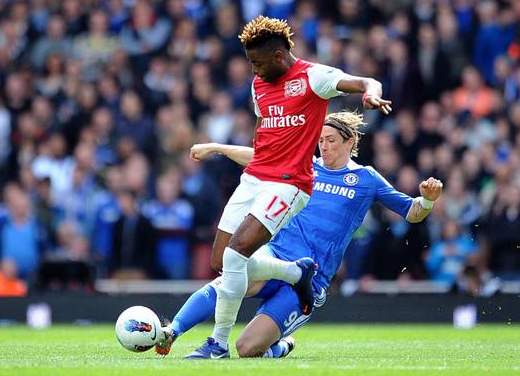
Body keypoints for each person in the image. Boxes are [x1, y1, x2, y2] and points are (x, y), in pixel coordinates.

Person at [175, 16, 392, 359]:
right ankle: (295, 272)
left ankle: (216, 345)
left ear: (278, 56)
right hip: (257, 177)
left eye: (258, 63)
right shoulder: (258, 85)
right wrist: (220, 148)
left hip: (291, 183)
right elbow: (264, 139)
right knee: (222, 261)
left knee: (237, 253)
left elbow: (367, 80)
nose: (254, 70)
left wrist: (371, 94)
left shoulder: (313, 77)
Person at [155, 111, 442, 359]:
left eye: (330, 141)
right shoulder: (305, 166)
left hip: (311, 280)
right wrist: (218, 148)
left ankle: (280, 347)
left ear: (350, 142)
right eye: (320, 141)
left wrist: (427, 200)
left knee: (246, 348)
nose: (324, 147)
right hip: (276, 255)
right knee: (232, 276)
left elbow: (412, 211)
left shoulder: (366, 179)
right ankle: (173, 330)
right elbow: (261, 158)